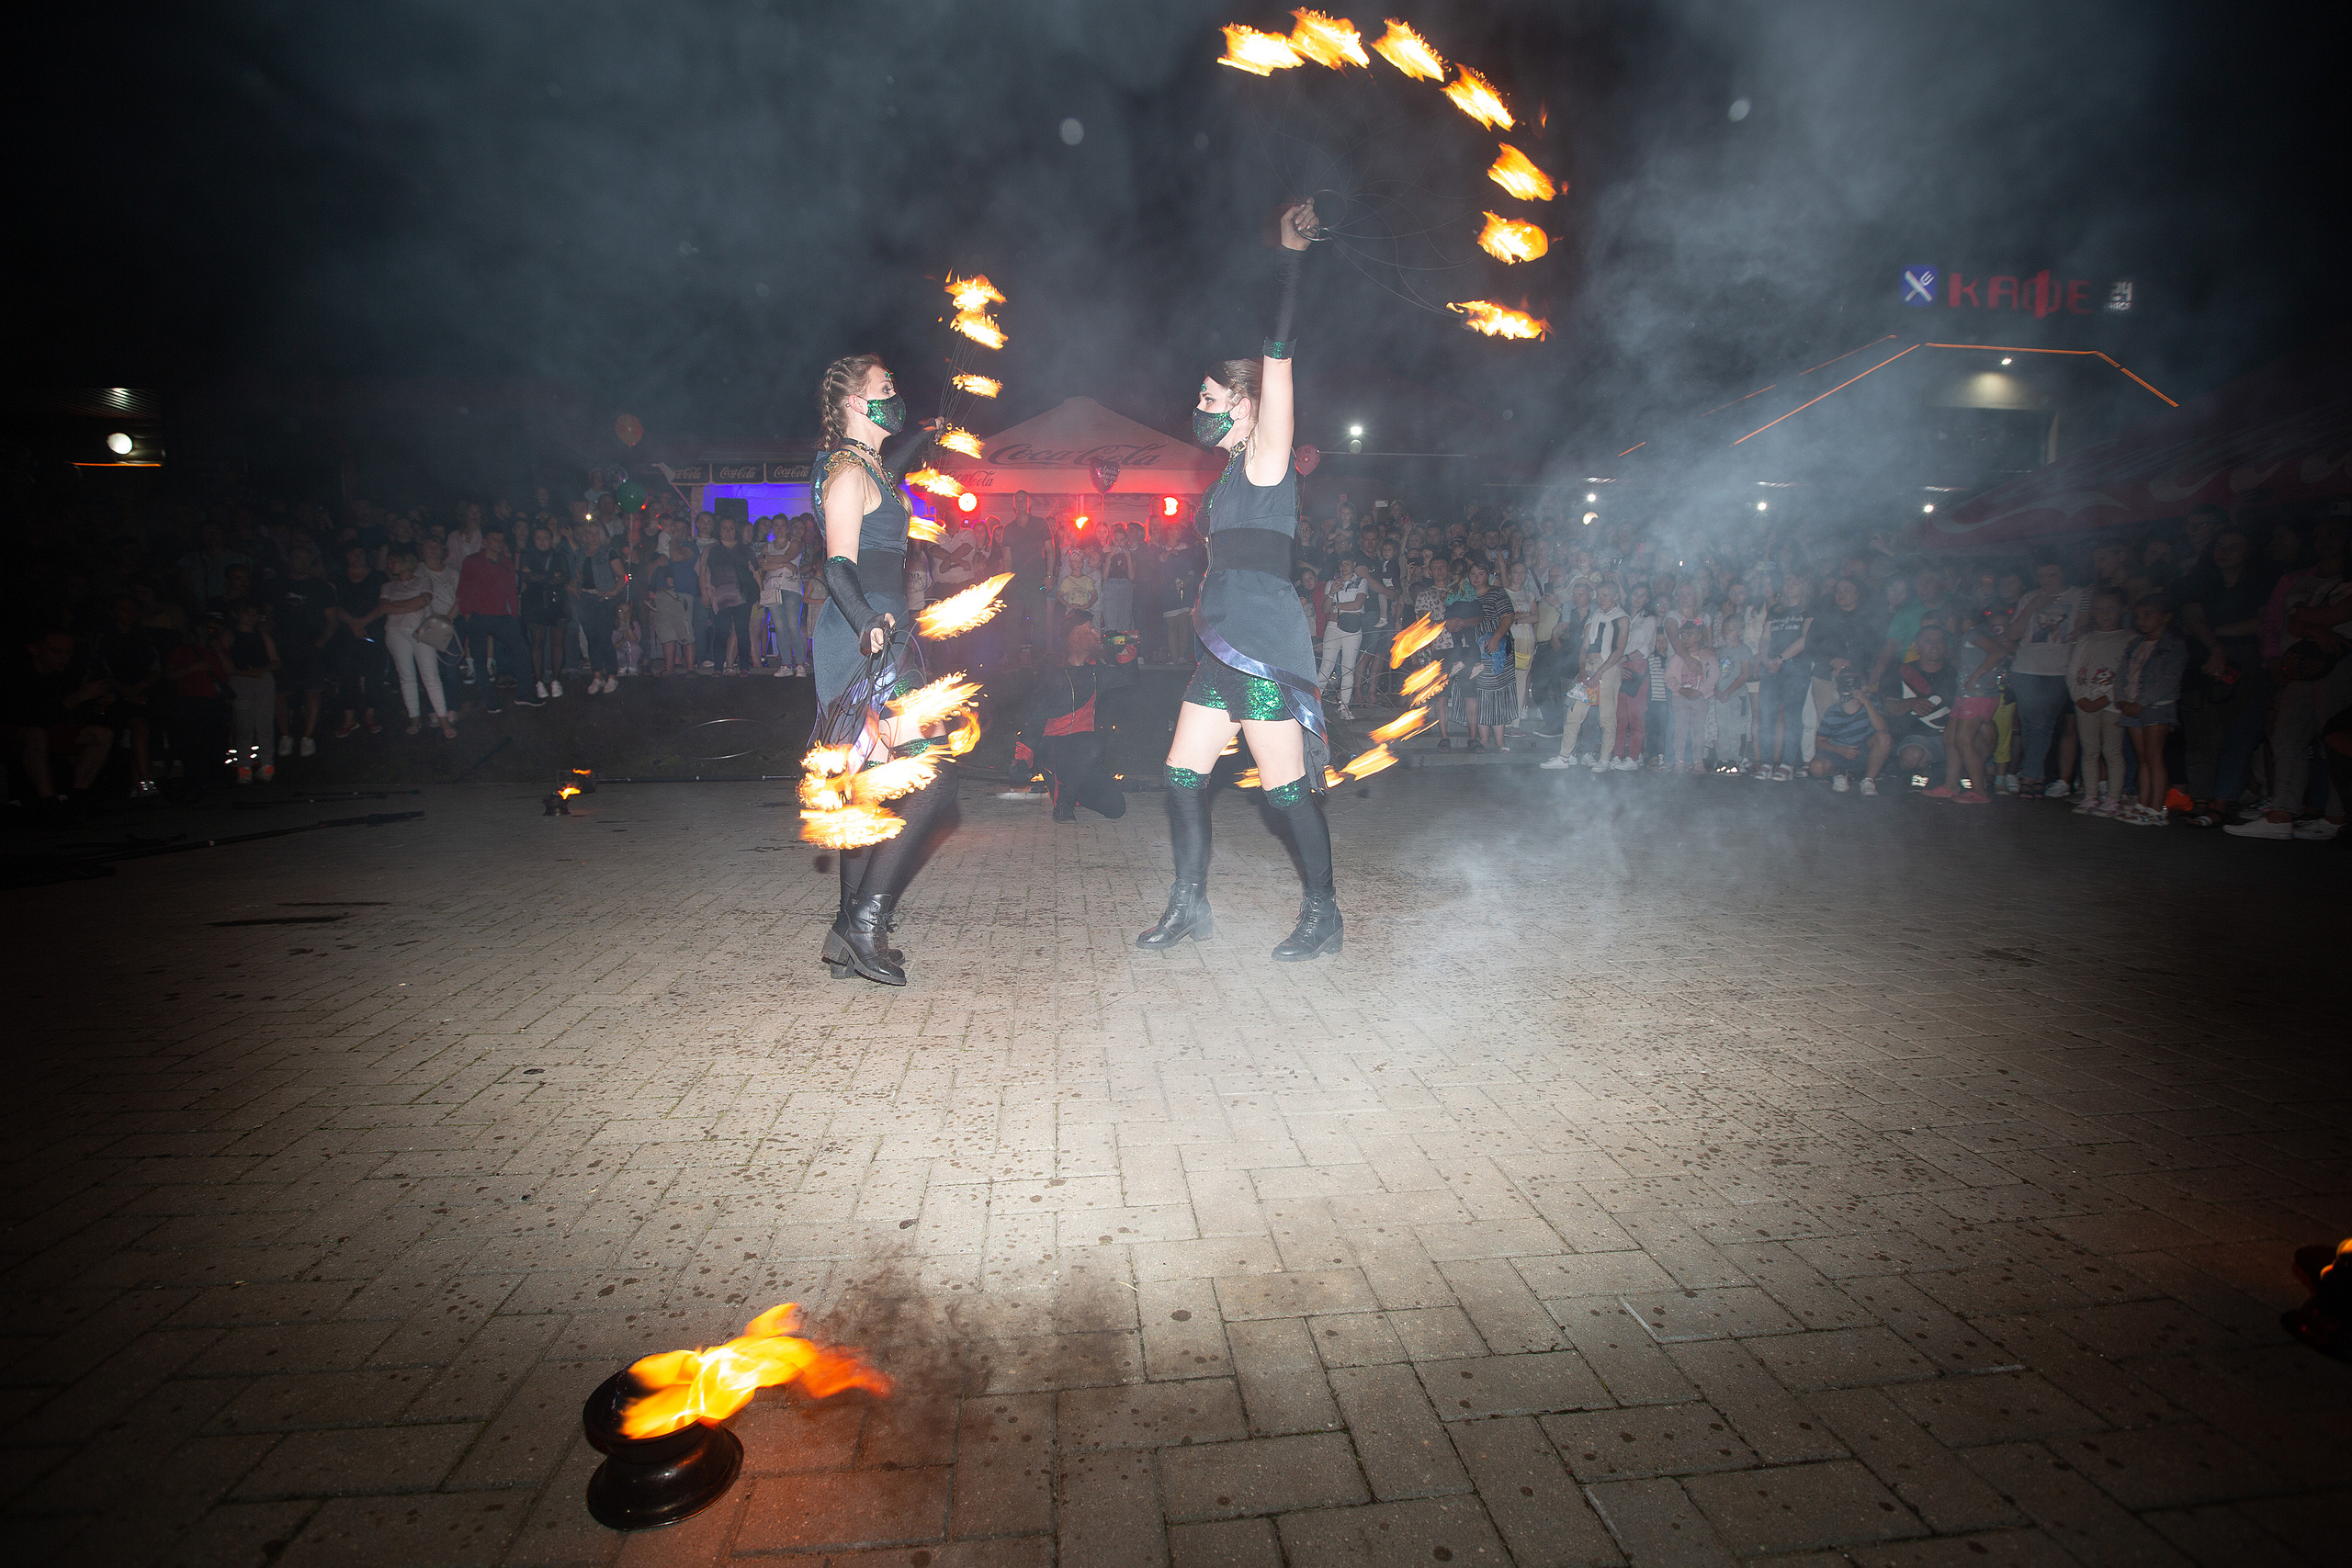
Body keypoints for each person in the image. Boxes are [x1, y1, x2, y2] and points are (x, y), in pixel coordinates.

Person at [1138, 201, 1342, 963]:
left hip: (1257, 639)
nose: (1198, 409)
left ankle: (1324, 913)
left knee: (1286, 791)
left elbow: (1280, 352)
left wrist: (1291, 257)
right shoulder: (1230, 473)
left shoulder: (1265, 455)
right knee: (1182, 774)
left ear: (1247, 405)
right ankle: (1190, 905)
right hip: (1221, 643)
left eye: (1209, 399)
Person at [808, 353, 953, 986]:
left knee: (869, 786)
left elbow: (885, 479)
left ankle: (846, 929)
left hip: (879, 632)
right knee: (929, 780)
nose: (893, 393)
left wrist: (923, 432)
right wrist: (869, 620)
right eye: (884, 388)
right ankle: (867, 921)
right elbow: (837, 565)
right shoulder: (845, 470)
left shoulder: (864, 466)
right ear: (850, 402)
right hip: (865, 635)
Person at [2228, 518, 2350, 840]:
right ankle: (2281, 815)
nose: (2324, 541)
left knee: (2335, 740)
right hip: (2301, 666)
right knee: (2286, 735)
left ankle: (2336, 819)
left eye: (2334, 534)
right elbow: (2287, 621)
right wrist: (2283, 653)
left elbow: (2330, 616)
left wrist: (2315, 623)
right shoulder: (2308, 581)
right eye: (2319, 535)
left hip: (2341, 667)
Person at [1019, 619, 1137, 822]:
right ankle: (1063, 801)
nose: (1095, 633)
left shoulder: (1095, 672)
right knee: (1092, 742)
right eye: (1088, 629)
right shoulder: (1052, 674)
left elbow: (1128, 677)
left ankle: (1073, 794)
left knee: (1115, 807)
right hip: (1054, 751)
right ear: (1074, 636)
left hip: (1084, 755)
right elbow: (1035, 718)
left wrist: (1123, 648)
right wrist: (1023, 759)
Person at [1998, 557, 2085, 798]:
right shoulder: (2030, 597)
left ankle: (2031, 775)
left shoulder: (2077, 596)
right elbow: (2013, 634)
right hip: (2025, 669)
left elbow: (2083, 629)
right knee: (2029, 726)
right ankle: (2033, 776)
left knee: (2042, 724)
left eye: (2052, 575)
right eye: (2042, 576)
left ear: (2064, 574)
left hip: (2058, 670)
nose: (2046, 581)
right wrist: (2032, 606)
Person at [7, 630, 115, 805]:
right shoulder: (16, 673)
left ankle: (75, 798)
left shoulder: (65, 674)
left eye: (68, 652)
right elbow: (27, 717)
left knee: (101, 734)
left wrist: (98, 702)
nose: (64, 657)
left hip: (50, 730)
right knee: (36, 734)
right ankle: (48, 802)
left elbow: (76, 715)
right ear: (35, 649)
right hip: (17, 732)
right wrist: (77, 698)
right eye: (57, 651)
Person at [1542, 578, 1628, 771]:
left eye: (1607, 595)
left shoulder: (1622, 618)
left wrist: (1599, 673)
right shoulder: (1594, 616)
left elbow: (1619, 650)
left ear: (1615, 596)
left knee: (1605, 717)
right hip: (1588, 668)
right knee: (1573, 713)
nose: (1603, 599)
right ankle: (1565, 756)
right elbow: (1584, 647)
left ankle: (1604, 759)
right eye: (1601, 595)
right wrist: (1582, 671)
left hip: (1607, 670)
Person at [2117, 594, 2187, 827]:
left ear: (2165, 617)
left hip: (2157, 707)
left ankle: (2157, 808)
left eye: (2148, 615)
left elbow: (2170, 679)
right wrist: (2121, 700)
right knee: (2142, 757)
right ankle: (2143, 805)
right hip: (2133, 706)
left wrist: (2142, 701)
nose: (2141, 620)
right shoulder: (2135, 645)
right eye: (2138, 616)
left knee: (2155, 757)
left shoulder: (2173, 645)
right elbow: (2123, 675)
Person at [2064, 587, 2134, 816]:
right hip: (2085, 703)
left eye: (2110, 609)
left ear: (2123, 609)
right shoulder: (2086, 639)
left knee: (2112, 750)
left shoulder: (2130, 639)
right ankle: (2091, 795)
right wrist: (2080, 697)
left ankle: (2114, 798)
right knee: (2090, 750)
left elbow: (2130, 675)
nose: (2105, 614)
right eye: (2099, 609)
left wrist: (2107, 698)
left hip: (2113, 705)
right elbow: (2072, 672)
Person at [456, 529, 538, 713]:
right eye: (494, 539)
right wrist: (467, 614)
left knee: (522, 650)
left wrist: (514, 617)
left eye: (501, 540)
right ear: (485, 542)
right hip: (478, 616)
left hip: (501, 616)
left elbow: (512, 592)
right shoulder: (472, 561)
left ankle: (523, 694)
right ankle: (488, 699)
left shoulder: (506, 563)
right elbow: (463, 589)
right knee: (480, 659)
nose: (498, 543)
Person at [376, 547, 454, 738]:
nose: (390, 565)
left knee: (431, 676)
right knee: (406, 676)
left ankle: (443, 719)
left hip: (422, 631)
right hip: (395, 633)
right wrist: (405, 605)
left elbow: (420, 602)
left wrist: (396, 606)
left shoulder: (423, 581)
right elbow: (384, 608)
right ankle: (414, 717)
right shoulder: (387, 586)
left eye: (394, 561)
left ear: (405, 562)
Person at [1878, 622, 1958, 787]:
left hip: (1955, 737)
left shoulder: (1956, 674)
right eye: (1928, 641)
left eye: (1940, 641)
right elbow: (1888, 709)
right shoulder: (1900, 672)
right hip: (1917, 738)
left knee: (1987, 731)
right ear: (1918, 647)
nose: (1935, 646)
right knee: (1912, 755)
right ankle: (1923, 772)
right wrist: (1911, 703)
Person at [1755, 575, 1814, 781]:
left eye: (1795, 583)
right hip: (1770, 666)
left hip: (1795, 666)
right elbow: (1765, 637)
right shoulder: (1775, 610)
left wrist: (1780, 659)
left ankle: (1788, 764)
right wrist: (1765, 659)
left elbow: (1805, 639)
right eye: (1787, 582)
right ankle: (1766, 763)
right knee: (1766, 717)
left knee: (1792, 716)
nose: (1789, 586)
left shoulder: (1809, 610)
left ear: (1804, 587)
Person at [1807, 668, 1889, 794]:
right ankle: (1840, 774)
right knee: (1816, 768)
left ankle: (1868, 780)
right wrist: (1840, 750)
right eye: (1843, 682)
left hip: (1862, 753)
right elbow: (1819, 742)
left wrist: (1865, 701)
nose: (1847, 687)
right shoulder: (1833, 712)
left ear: (1864, 687)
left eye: (1851, 683)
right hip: (1839, 754)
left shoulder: (1872, 704)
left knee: (1884, 738)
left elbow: (1881, 728)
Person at [224, 601, 279, 783]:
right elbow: (223, 661)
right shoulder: (229, 635)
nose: (251, 616)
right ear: (236, 614)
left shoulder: (262, 636)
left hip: (262, 680)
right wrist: (244, 673)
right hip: (240, 682)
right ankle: (244, 768)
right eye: (247, 612)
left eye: (254, 613)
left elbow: (276, 661)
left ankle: (267, 766)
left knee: (264, 724)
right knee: (244, 726)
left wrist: (260, 671)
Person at [516, 524, 570, 699]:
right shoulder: (526, 555)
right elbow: (526, 577)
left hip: (557, 602)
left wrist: (539, 576)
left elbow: (564, 577)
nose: (542, 541)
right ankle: (539, 681)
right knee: (537, 642)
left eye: (545, 538)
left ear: (551, 539)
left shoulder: (559, 556)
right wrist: (549, 577)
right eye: (538, 538)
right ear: (533, 539)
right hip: (534, 603)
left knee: (557, 642)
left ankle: (556, 679)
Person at [1318, 552, 1372, 720]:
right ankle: (1314, 705)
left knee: (1348, 668)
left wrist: (1336, 605)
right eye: (1341, 565)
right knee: (1326, 666)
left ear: (1353, 564)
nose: (1344, 567)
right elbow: (1325, 609)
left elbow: (1358, 603)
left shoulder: (1361, 581)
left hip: (1352, 628)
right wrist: (1331, 593)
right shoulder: (1332, 584)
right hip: (1333, 626)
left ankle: (1344, 707)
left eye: (1347, 564)